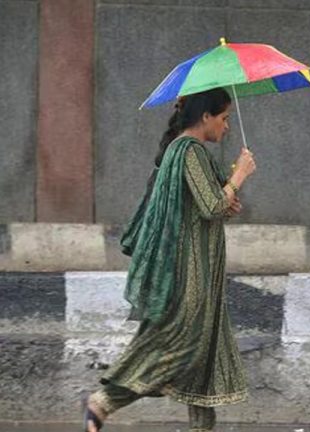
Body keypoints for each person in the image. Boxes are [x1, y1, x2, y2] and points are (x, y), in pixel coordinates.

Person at [83, 87, 256, 432]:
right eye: (224, 118)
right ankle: (103, 402)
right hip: (189, 274)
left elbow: (204, 208)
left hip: (202, 273)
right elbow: (212, 206)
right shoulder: (189, 151)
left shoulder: (188, 152)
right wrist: (239, 175)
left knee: (204, 355)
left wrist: (229, 198)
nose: (227, 127)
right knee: (185, 347)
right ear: (205, 116)